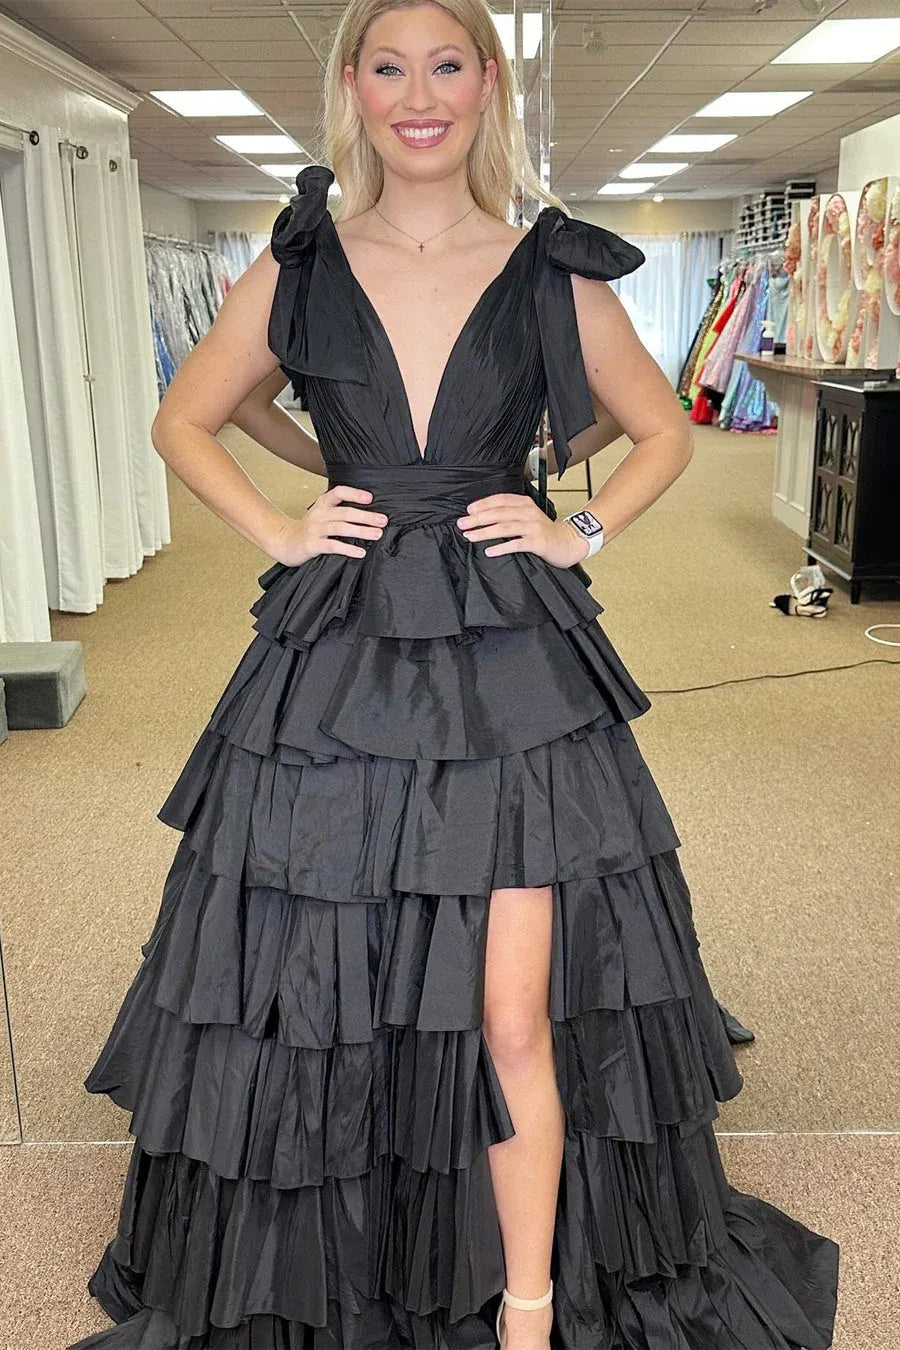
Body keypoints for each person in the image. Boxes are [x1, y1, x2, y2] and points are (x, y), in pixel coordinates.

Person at [71, 1, 838, 1347]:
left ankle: (527, 1307)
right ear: (353, 88)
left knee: (512, 1012)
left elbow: (661, 428)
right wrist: (293, 517)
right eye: (388, 68)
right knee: (326, 973)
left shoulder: (551, 267)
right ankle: (350, 1250)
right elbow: (188, 414)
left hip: (509, 656)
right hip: (339, 651)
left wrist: (574, 527)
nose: (417, 96)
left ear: (488, 84)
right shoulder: (300, 264)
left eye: (445, 66)